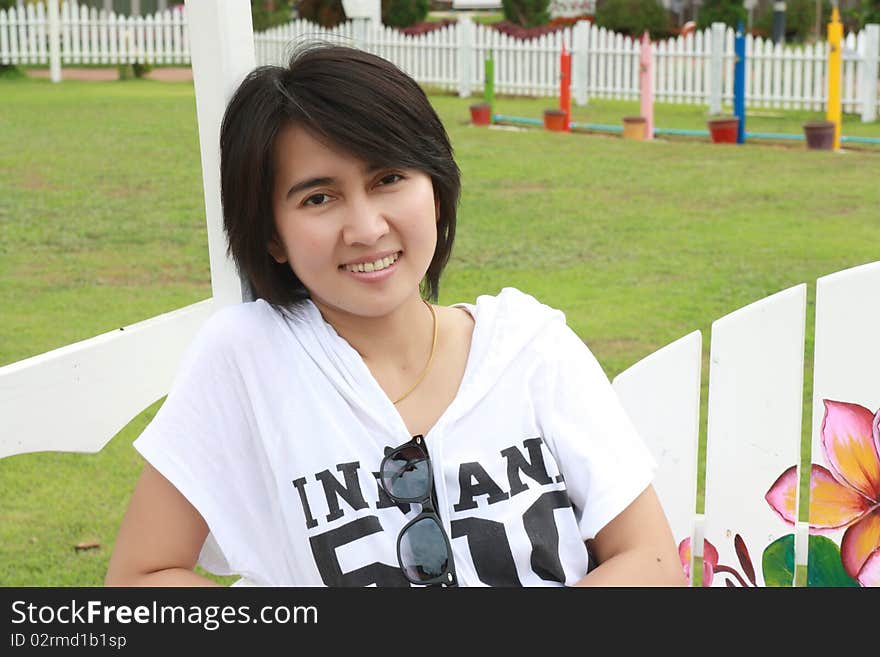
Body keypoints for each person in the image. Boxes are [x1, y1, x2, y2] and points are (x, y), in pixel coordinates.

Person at [105, 44, 685, 587]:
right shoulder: (248, 359)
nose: (366, 229)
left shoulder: (530, 347)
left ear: (434, 189)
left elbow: (651, 560)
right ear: (272, 235)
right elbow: (141, 577)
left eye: (388, 179)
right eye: (318, 197)